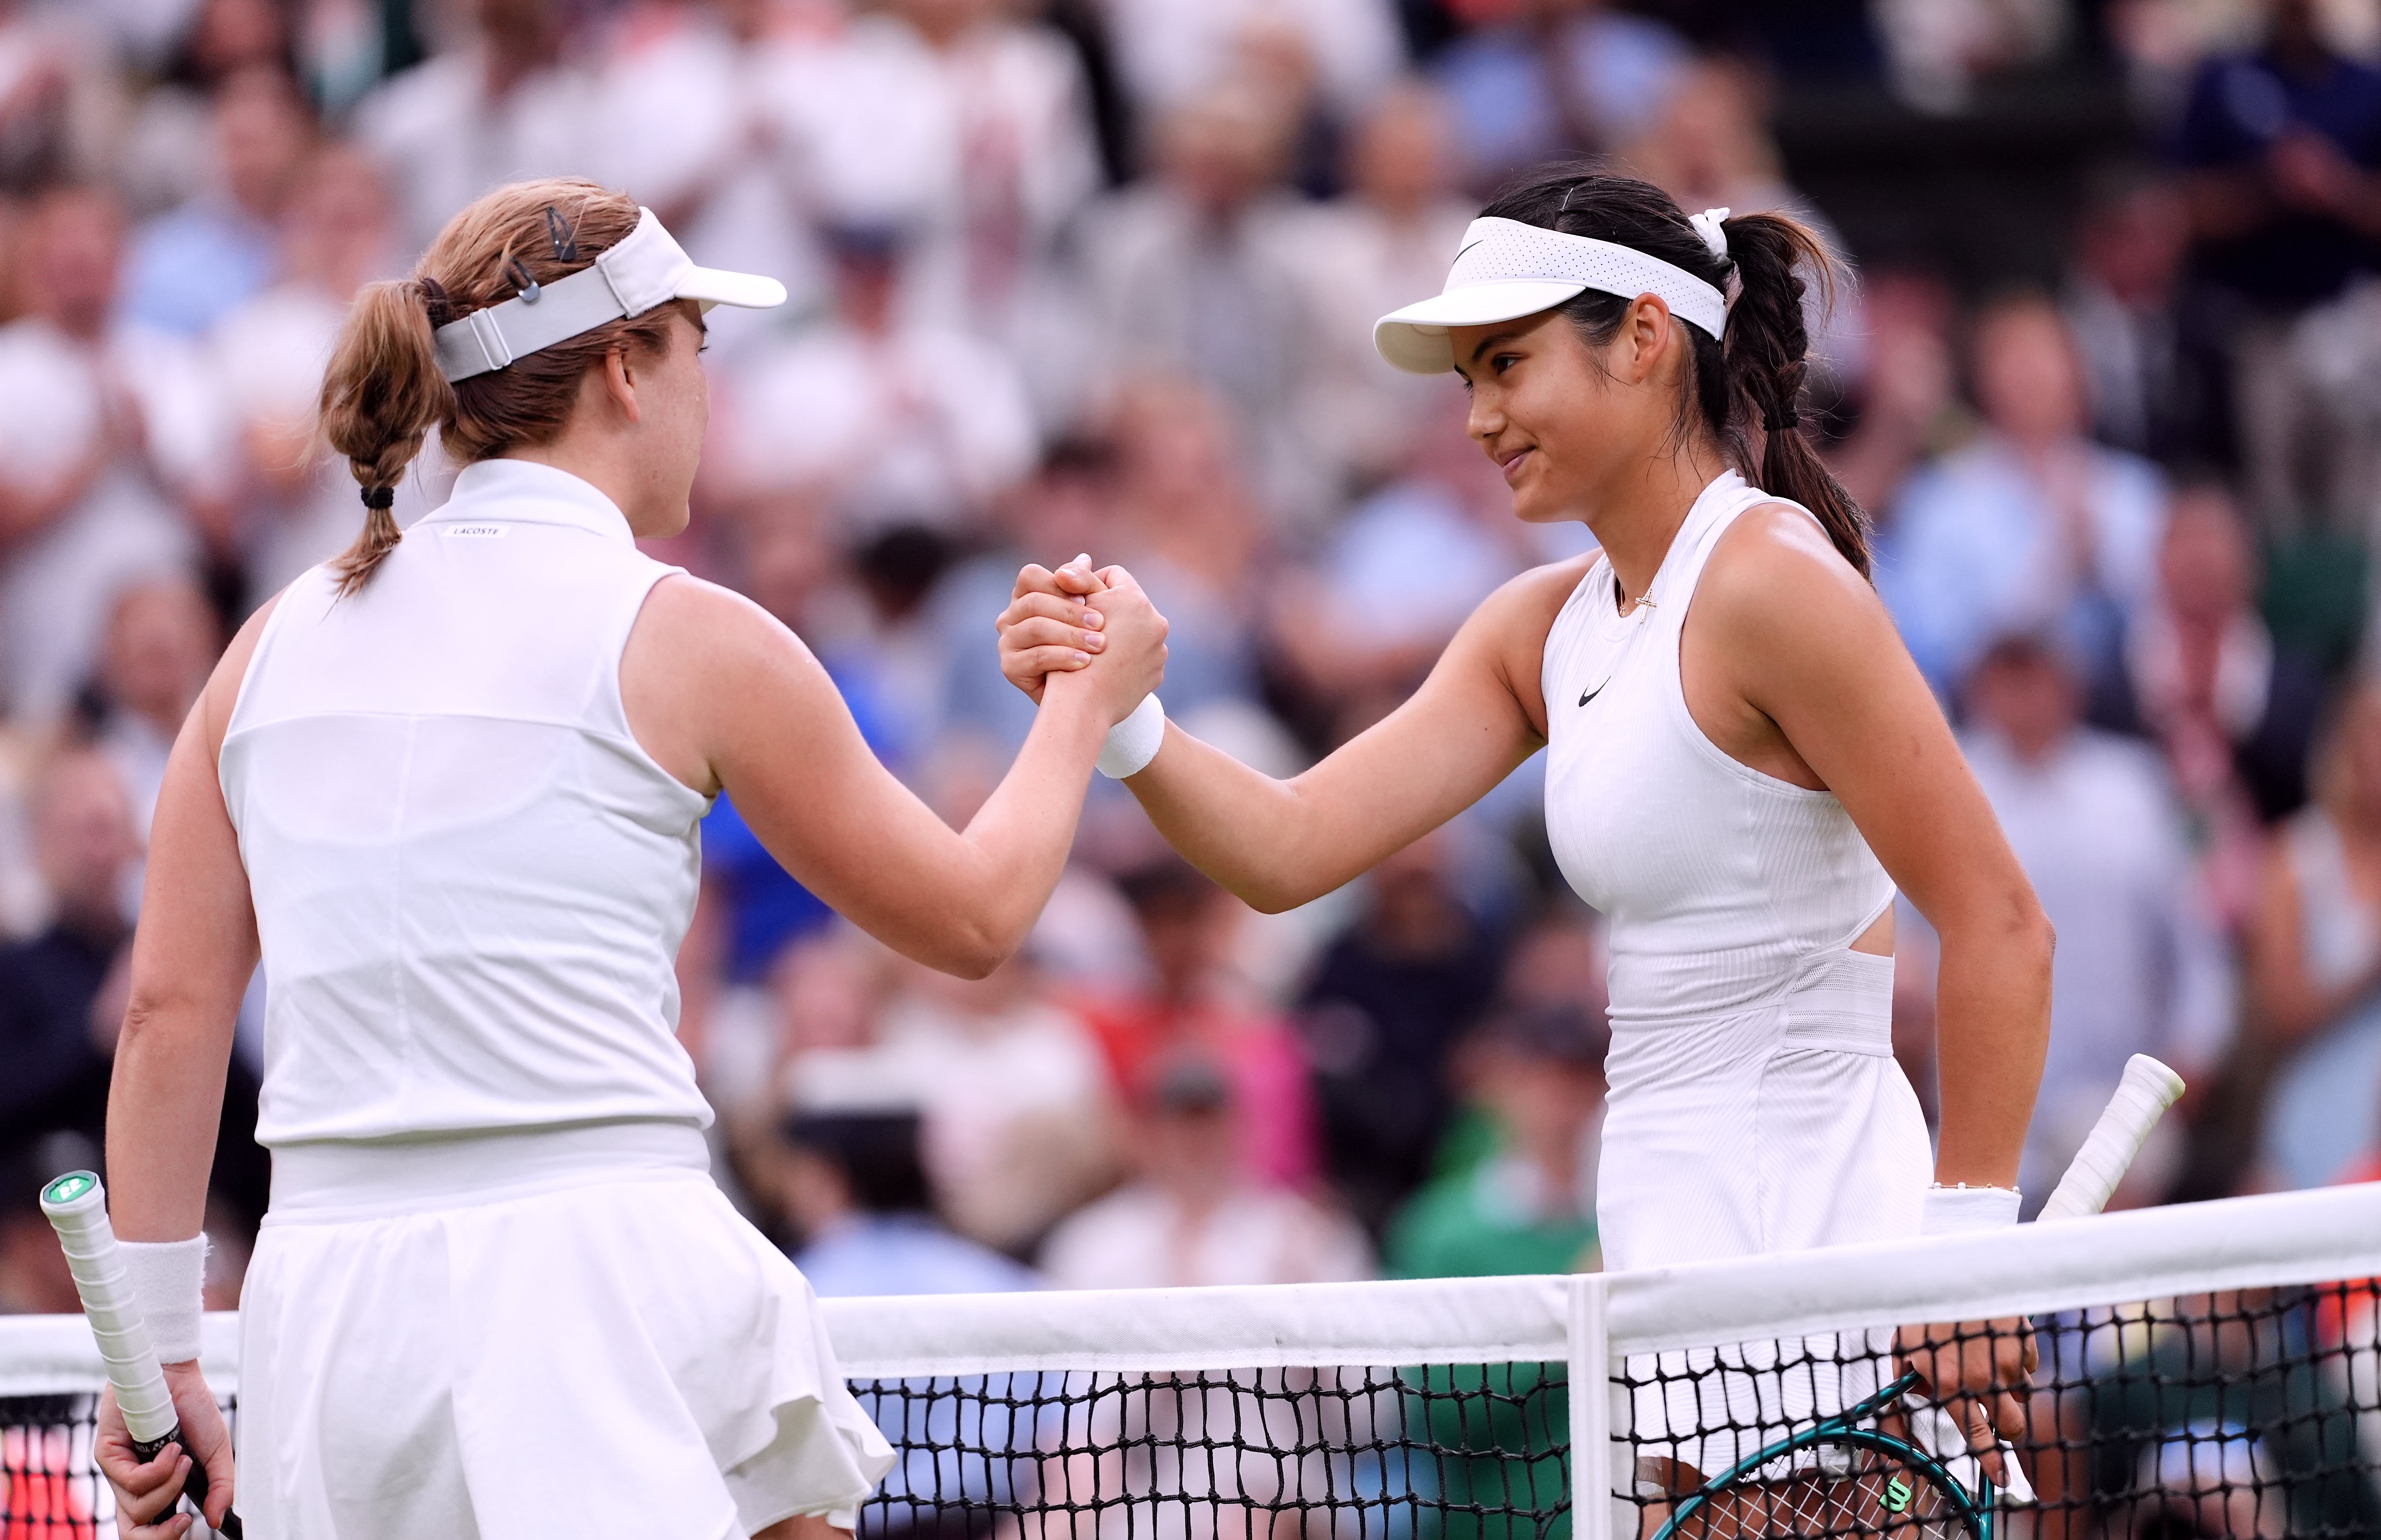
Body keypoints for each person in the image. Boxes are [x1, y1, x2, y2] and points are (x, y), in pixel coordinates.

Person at [92, 176, 1167, 1539]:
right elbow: (972, 915)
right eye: (695, 348)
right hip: (600, 1279)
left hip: (327, 1327)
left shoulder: (261, 647)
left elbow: (165, 1014)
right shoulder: (697, 635)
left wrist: (167, 1348)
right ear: (624, 368)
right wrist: (1085, 696)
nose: (711, 392)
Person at [1003, 168, 2050, 1485]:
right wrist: (1116, 715)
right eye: (1467, 384)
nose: (1482, 417)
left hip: (1830, 1245)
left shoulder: (1775, 582)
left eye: (1508, 364)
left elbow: (2002, 921)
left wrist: (1967, 1255)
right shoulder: (1536, 629)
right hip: (1666, 1247)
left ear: (1645, 341)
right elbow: (1283, 850)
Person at [1958, 630, 2228, 1208]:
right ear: (1983, 691)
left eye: (2038, 677)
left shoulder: (2133, 786)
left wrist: (2193, 1053)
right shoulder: (1951, 788)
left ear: (2069, 687)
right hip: (1982, 1124)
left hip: (2119, 1115)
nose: (2026, 697)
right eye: (2010, 679)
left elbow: (2193, 939)